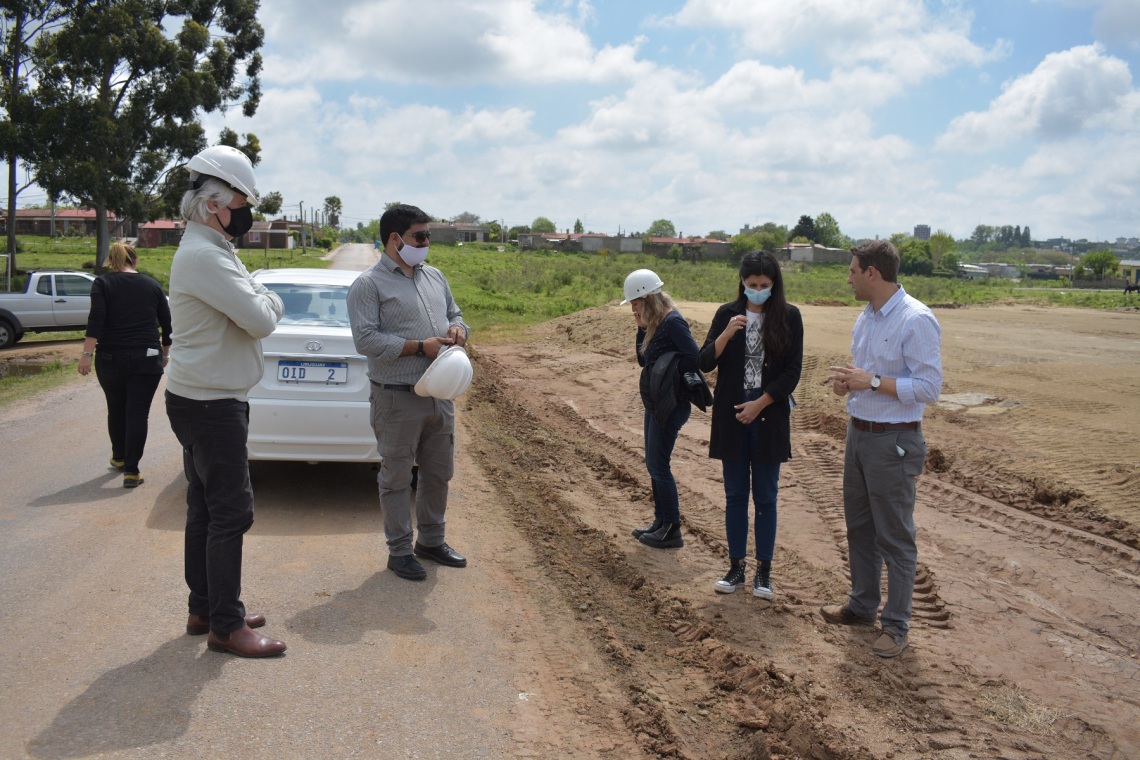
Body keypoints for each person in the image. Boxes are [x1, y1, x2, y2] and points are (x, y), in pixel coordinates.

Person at [165, 144, 287, 658]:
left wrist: (256, 296)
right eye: (241, 201)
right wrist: (267, 298)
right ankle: (226, 625)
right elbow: (262, 317)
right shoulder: (205, 256)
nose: (246, 211)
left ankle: (206, 607)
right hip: (212, 405)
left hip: (199, 398)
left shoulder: (212, 251)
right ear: (214, 203)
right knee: (230, 513)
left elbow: (251, 306)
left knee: (205, 508)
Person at [822, 240, 942, 659]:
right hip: (859, 434)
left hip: (894, 442)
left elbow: (929, 389)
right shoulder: (866, 318)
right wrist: (848, 384)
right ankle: (861, 606)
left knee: (895, 536)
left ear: (872, 273)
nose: (849, 277)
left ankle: (896, 626)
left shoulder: (916, 320)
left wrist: (870, 381)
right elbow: (865, 374)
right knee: (859, 527)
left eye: (853, 270)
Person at [347, 203, 470, 581]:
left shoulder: (434, 276)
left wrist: (459, 332)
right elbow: (366, 339)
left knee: (438, 473)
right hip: (397, 396)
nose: (427, 242)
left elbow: (456, 314)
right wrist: (419, 347)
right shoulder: (368, 285)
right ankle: (399, 550)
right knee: (397, 477)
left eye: (428, 235)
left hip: (440, 394)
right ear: (395, 239)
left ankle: (431, 541)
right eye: (420, 236)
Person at [699, 251, 802, 598]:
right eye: (752, 285)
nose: (758, 290)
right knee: (735, 496)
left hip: (768, 417)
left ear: (774, 285)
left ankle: (764, 571)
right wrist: (726, 334)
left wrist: (760, 403)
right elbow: (704, 362)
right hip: (732, 419)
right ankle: (736, 567)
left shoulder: (789, 317)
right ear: (742, 282)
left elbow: (792, 373)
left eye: (765, 285)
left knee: (767, 497)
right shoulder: (727, 314)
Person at [78, 242, 172, 488]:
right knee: (138, 413)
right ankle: (132, 471)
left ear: (111, 261)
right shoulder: (152, 285)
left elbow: (96, 317)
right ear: (135, 260)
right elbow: (167, 322)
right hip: (147, 356)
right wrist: (165, 353)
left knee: (116, 409)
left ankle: (119, 456)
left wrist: (87, 354)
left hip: (111, 357)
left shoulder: (103, 283)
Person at [624, 269, 700, 549]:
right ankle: (660, 521)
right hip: (657, 403)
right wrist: (642, 327)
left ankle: (672, 529)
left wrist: (671, 380)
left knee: (659, 465)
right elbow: (643, 360)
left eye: (635, 303)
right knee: (653, 464)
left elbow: (694, 358)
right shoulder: (655, 323)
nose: (633, 308)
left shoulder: (673, 323)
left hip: (670, 404)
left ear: (649, 298)